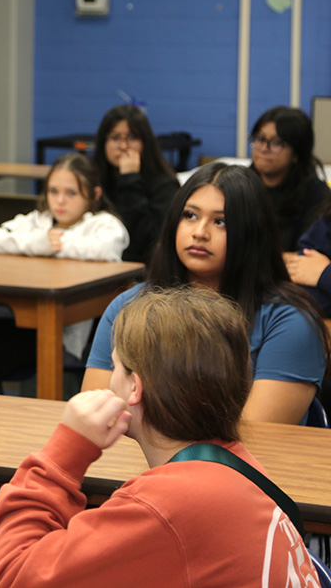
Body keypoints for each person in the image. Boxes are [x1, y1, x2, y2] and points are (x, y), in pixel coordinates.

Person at [0, 287, 322, 587]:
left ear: (133, 387)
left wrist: (64, 453)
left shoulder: (168, 504)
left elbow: (7, 577)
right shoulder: (238, 465)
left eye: (115, 367)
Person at [82, 162, 330, 425]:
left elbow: (257, 439)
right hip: (136, 462)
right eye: (190, 215)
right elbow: (94, 420)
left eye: (220, 222)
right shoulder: (128, 305)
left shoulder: (290, 323)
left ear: (251, 233)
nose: (199, 233)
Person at [0, 153, 128, 395]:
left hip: (55, 332)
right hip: (13, 317)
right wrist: (38, 243)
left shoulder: (103, 224)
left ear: (94, 195)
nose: (60, 201)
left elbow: (106, 249)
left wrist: (57, 245)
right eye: (53, 191)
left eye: (71, 193)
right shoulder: (37, 222)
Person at [92, 104, 179, 263]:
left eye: (132, 138)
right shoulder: (94, 180)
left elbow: (149, 242)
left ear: (145, 143)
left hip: (142, 272)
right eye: (115, 138)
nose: (124, 146)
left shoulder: (164, 184)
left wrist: (130, 179)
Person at [248, 106, 328, 252]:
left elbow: (307, 255)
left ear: (296, 153)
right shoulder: (240, 184)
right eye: (259, 139)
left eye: (277, 143)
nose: (264, 149)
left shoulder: (316, 194)